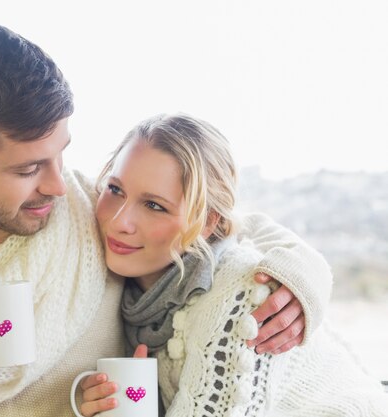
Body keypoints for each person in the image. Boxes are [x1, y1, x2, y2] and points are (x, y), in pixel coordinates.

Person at [0, 23, 332, 416]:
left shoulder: (93, 219)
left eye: (62, 154)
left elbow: (217, 221)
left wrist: (302, 275)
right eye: (29, 168)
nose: (59, 184)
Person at [78, 113, 388, 416]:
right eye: (115, 190)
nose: (119, 222)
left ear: (207, 223)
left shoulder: (240, 296)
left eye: (154, 206)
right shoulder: (138, 291)